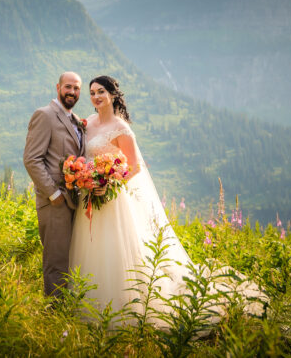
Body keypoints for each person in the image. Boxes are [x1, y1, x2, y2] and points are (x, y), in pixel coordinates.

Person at [68, 75, 265, 323]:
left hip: (112, 199)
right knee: (91, 246)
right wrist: (85, 176)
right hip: (89, 196)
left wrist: (107, 184)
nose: (95, 97)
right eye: (92, 92)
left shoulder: (122, 129)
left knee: (113, 249)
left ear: (113, 96)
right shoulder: (88, 122)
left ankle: (123, 308)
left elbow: (135, 167)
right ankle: (87, 305)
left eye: (101, 92)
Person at [23, 71, 86, 298]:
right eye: (68, 87)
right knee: (56, 261)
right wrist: (53, 194)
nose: (72, 92)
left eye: (76, 88)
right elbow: (32, 159)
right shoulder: (45, 115)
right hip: (55, 203)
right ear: (57, 87)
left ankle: (69, 309)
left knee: (71, 259)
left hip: (75, 201)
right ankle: (54, 315)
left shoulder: (76, 120)